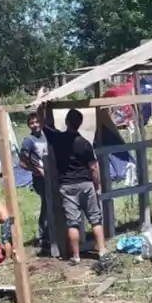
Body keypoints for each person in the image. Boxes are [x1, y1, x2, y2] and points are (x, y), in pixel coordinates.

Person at [34, 95, 107, 265]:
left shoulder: (58, 139)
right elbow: (94, 167)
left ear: (66, 121)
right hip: (85, 183)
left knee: (73, 223)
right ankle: (102, 250)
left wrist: (40, 107)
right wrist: (96, 184)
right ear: (80, 123)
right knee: (95, 218)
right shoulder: (85, 144)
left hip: (66, 185)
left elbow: (43, 124)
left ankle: (76, 256)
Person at [18, 111, 51, 252]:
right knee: (46, 204)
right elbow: (22, 163)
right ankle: (43, 235)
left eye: (37, 121)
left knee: (52, 204)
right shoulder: (28, 141)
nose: (35, 125)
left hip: (52, 175)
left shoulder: (47, 136)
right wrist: (36, 170)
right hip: (40, 179)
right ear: (28, 125)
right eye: (32, 123)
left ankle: (52, 232)